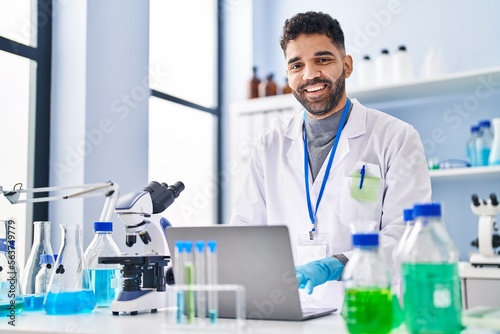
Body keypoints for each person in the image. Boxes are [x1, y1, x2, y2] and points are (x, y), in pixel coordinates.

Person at [229, 11, 431, 309]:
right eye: (297, 65)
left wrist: (339, 263)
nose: (309, 74)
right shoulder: (269, 146)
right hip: (289, 311)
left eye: (322, 60)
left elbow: (408, 235)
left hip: (369, 309)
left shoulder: (396, 137)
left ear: (346, 66)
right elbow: (246, 229)